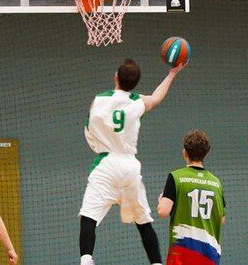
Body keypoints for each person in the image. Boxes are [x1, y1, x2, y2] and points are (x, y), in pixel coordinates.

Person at [79, 58, 185, 265]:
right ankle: (156, 263)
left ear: (116, 77)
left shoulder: (98, 100)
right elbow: (156, 98)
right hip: (129, 165)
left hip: (106, 163)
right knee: (143, 221)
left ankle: (86, 259)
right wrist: (172, 73)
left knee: (88, 216)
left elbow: (90, 126)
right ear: (135, 84)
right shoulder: (138, 102)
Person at [157, 130, 226, 265]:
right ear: (206, 153)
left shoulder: (176, 177)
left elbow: (163, 212)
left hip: (182, 254)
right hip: (209, 255)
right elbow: (221, 219)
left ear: (185, 152)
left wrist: (161, 201)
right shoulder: (216, 182)